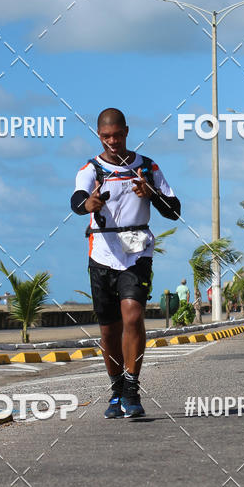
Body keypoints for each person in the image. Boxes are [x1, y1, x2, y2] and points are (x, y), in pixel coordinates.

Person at [71, 108, 181, 418]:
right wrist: (87, 204)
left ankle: (132, 390)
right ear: (99, 135)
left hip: (137, 251)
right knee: (108, 331)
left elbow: (174, 210)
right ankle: (116, 389)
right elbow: (78, 199)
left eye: (117, 135)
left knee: (133, 317)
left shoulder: (146, 166)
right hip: (102, 254)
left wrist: (152, 192)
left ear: (127, 132)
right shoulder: (91, 169)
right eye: (106, 137)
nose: (113, 141)